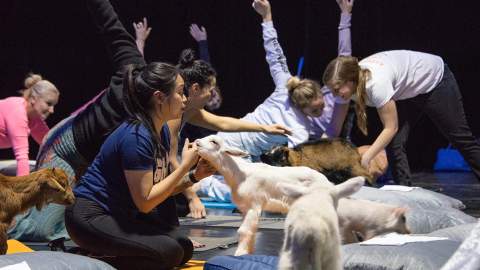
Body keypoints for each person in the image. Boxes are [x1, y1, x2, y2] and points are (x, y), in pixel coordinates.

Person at [195, 0, 358, 202]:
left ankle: (212, 178)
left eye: (322, 104)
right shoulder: (299, 128)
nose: (322, 110)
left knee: (260, 189)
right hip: (227, 144)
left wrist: (267, 17)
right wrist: (266, 17)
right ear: (303, 108)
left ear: (319, 91)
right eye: (316, 111)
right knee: (250, 195)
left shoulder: (285, 84)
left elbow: (275, 53)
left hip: (249, 157)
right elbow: (306, 163)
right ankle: (203, 185)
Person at [65, 62, 201, 270]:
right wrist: (184, 167)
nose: (185, 99)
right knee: (169, 253)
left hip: (118, 215)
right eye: (181, 92)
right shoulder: (136, 136)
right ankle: (85, 261)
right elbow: (146, 202)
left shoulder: (160, 130)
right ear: (159, 97)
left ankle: (99, 253)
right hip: (89, 216)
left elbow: (160, 190)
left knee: (184, 247)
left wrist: (195, 175)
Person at [323, 50, 480, 185]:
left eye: (337, 89)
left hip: (433, 80)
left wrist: (367, 157)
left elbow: (391, 128)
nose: (335, 95)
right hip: (406, 89)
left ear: (351, 80)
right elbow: (333, 128)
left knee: (460, 138)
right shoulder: (346, 89)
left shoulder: (375, 84)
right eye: (332, 90)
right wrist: (315, 153)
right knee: (395, 144)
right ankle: (404, 191)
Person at [0, 74, 59, 176]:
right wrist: (25, 190)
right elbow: (22, 157)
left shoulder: (35, 119)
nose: (52, 110)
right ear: (33, 99)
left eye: (53, 105)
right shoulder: (17, 112)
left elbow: (52, 144)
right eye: (48, 104)